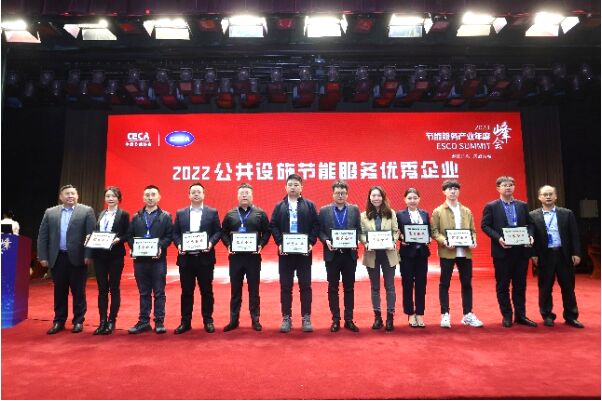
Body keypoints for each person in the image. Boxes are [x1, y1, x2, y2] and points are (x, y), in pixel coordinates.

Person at [37, 184, 95, 334]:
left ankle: (78, 321)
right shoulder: (50, 212)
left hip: (78, 258)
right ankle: (59, 321)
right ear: (61, 197)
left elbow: (91, 235)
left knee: (78, 292)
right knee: (59, 292)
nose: (70, 196)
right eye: (67, 194)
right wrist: (43, 256)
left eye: (73, 193)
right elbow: (43, 236)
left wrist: (88, 254)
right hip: (58, 258)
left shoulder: (86, 211)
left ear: (77, 196)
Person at [481, 176, 537, 328]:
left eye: (511, 185)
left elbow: (530, 224)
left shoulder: (522, 205)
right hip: (502, 252)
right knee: (503, 285)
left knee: (520, 285)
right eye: (504, 185)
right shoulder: (491, 206)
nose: (508, 187)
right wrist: (498, 238)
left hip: (521, 252)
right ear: (498, 188)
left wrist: (530, 236)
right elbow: (485, 226)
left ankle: (521, 316)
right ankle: (507, 315)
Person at [269, 173, 320, 333]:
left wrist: (310, 242)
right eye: (290, 184)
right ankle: (286, 318)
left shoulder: (309, 205)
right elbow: (273, 225)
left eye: (296, 185)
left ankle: (306, 317)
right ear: (285, 187)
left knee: (305, 286)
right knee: (286, 286)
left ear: (301, 187)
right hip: (285, 254)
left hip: (304, 254)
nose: (293, 187)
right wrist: (279, 243)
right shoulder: (279, 206)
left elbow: (316, 225)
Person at [431, 180, 483, 328]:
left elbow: (472, 230)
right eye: (449, 189)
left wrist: (473, 240)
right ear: (444, 192)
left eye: (455, 189)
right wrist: (444, 241)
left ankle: (468, 314)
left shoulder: (466, 211)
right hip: (447, 252)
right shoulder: (438, 211)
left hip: (465, 253)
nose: (452, 191)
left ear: (459, 191)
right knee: (444, 283)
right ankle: (445, 314)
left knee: (467, 283)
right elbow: (434, 231)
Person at [530, 185, 584, 328]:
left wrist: (576, 253)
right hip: (544, 256)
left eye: (550, 194)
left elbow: (574, 235)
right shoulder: (532, 216)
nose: (548, 196)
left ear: (555, 196)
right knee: (545, 288)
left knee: (568, 287)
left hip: (564, 255)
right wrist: (533, 254)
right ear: (539, 197)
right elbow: (531, 236)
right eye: (545, 194)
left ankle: (571, 316)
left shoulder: (567, 213)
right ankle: (547, 315)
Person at [172, 183, 222, 334]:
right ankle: (185, 322)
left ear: (203, 195)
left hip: (205, 259)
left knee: (206, 291)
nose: (196, 194)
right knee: (186, 292)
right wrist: (179, 245)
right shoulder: (180, 213)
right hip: (186, 260)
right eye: (193, 192)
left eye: (198, 192)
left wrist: (210, 243)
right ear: (189, 195)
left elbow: (218, 232)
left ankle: (208, 321)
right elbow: (175, 233)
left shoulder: (212, 212)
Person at [220, 183, 271, 332]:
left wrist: (261, 244)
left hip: (253, 258)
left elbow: (267, 232)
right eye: (242, 193)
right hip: (235, 258)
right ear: (237, 196)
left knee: (254, 290)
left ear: (252, 196)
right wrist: (228, 245)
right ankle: (233, 320)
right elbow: (223, 232)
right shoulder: (230, 214)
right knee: (235, 290)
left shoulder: (260, 214)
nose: (244, 195)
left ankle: (255, 320)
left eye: (247, 193)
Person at [126, 185, 173, 334]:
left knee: (159, 292)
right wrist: (133, 247)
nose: (150, 197)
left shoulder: (166, 216)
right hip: (140, 261)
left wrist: (159, 246)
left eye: (153, 195)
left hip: (158, 260)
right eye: (147, 195)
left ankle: (159, 321)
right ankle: (143, 322)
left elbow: (169, 236)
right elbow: (129, 235)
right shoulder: (136, 216)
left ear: (159, 197)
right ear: (143, 197)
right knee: (143, 292)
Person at [318, 181, 361, 332]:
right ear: (333, 194)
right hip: (332, 255)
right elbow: (320, 231)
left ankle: (349, 320)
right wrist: (326, 241)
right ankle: (335, 319)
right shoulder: (324, 211)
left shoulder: (354, 209)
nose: (340, 195)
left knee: (349, 288)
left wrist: (356, 241)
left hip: (349, 255)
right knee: (333, 288)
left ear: (347, 194)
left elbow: (359, 230)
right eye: (337, 193)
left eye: (343, 193)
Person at [89, 186, 130, 335]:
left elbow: (128, 234)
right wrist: (91, 238)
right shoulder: (100, 214)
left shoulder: (123, 214)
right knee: (102, 289)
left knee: (114, 288)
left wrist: (118, 240)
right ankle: (102, 322)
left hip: (115, 256)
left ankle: (112, 320)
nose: (110, 198)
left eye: (113, 196)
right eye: (108, 196)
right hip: (99, 256)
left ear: (119, 199)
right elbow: (97, 232)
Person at [360, 186, 400, 332]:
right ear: (369, 198)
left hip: (388, 254)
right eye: (373, 196)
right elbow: (361, 234)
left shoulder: (391, 213)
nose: (376, 198)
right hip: (372, 255)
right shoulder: (363, 215)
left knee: (390, 286)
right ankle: (378, 318)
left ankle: (390, 317)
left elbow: (396, 231)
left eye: (379, 195)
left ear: (383, 197)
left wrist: (393, 242)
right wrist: (366, 243)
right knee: (375, 287)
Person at [396, 188, 430, 328]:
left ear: (419, 199)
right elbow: (396, 231)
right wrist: (401, 238)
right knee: (407, 284)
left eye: (415, 198)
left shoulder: (424, 214)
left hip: (422, 253)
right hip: (407, 254)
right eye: (409, 198)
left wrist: (428, 238)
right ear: (405, 199)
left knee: (421, 284)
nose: (412, 200)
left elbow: (428, 230)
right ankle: (410, 313)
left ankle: (420, 313)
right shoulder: (400, 214)